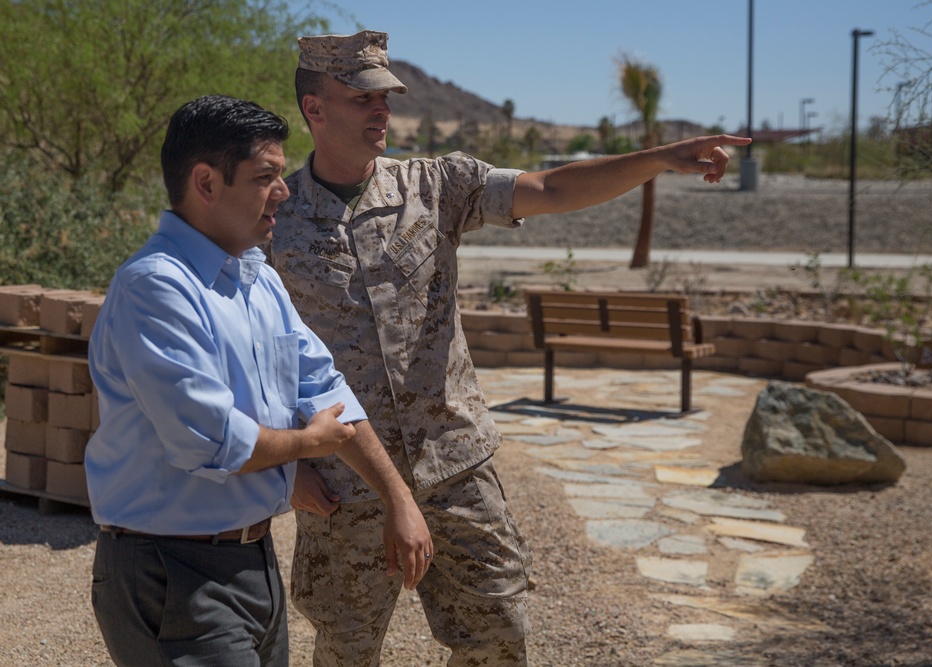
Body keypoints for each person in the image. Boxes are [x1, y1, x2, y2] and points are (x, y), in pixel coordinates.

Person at [268, 30, 752, 666]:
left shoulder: (435, 186)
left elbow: (552, 189)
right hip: (344, 482)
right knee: (346, 651)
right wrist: (287, 465)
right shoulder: (273, 215)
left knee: (498, 640)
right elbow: (255, 348)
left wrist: (658, 158)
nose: (381, 107)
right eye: (362, 96)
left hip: (456, 469)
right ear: (315, 109)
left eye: (386, 93)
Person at [85, 94, 432, 667]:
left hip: (252, 560)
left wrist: (398, 499)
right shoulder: (157, 289)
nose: (285, 190)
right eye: (266, 176)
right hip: (174, 570)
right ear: (206, 183)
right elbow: (212, 441)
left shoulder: (257, 281)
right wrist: (307, 446)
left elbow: (324, 389)